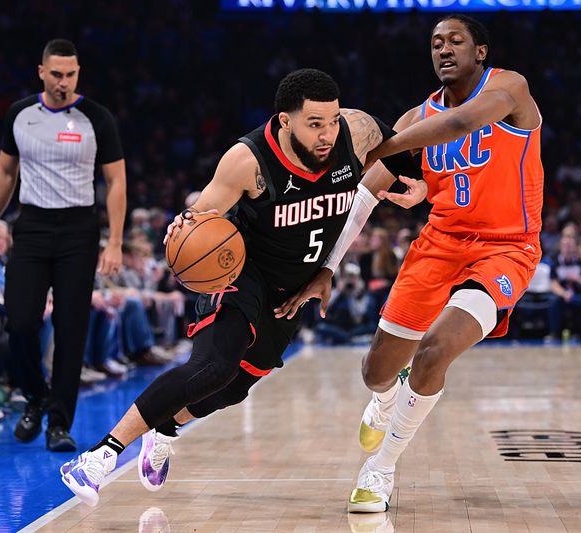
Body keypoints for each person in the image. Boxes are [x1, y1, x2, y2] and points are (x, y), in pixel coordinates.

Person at [60, 68, 426, 506]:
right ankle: (99, 456)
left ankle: (163, 427)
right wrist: (184, 228)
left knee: (231, 389)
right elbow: (200, 221)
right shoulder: (248, 160)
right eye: (315, 124)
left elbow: (403, 153)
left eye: (332, 121)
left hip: (295, 289)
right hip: (241, 275)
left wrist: (418, 185)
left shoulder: (358, 130)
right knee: (213, 366)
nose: (327, 133)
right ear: (285, 120)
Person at [277, 14, 543, 513]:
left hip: (506, 248)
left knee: (436, 350)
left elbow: (462, 123)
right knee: (376, 372)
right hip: (438, 245)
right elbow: (362, 198)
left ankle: (381, 470)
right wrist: (328, 267)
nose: (444, 49)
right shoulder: (414, 116)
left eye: (455, 41)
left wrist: (381, 146)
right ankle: (385, 398)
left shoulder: (510, 88)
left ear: (479, 51)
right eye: (436, 43)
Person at [0, 39, 126, 451]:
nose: (64, 82)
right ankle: (35, 396)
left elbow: (116, 181)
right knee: (21, 321)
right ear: (41, 72)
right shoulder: (20, 114)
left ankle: (59, 422)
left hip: (79, 229)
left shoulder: (97, 118)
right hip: (32, 223)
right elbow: (5, 172)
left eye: (71, 74)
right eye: (56, 74)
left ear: (79, 73)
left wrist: (114, 240)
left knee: (71, 327)